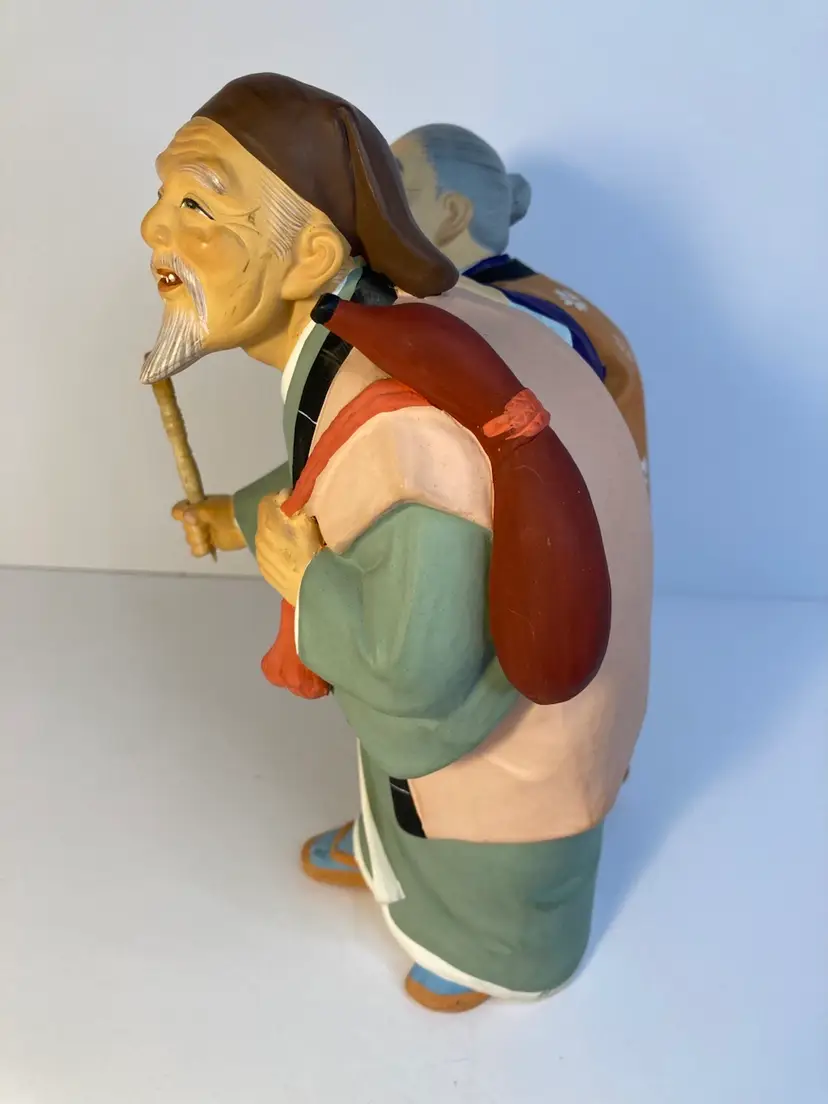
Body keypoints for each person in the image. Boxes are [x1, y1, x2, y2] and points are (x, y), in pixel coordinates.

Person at [141, 73, 652, 1013]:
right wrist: (233, 517)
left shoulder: (406, 418)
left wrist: (307, 580)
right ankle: (388, 857)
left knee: (474, 863)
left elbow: (419, 669)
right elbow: (325, 475)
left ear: (313, 256)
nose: (153, 230)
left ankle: (485, 953)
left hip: (510, 753)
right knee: (399, 806)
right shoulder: (376, 332)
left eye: (197, 207)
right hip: (485, 713)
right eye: (163, 197)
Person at [391, 124, 649, 477]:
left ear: (453, 213)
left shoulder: (504, 314)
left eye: (394, 189)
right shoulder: (535, 303)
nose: (375, 208)